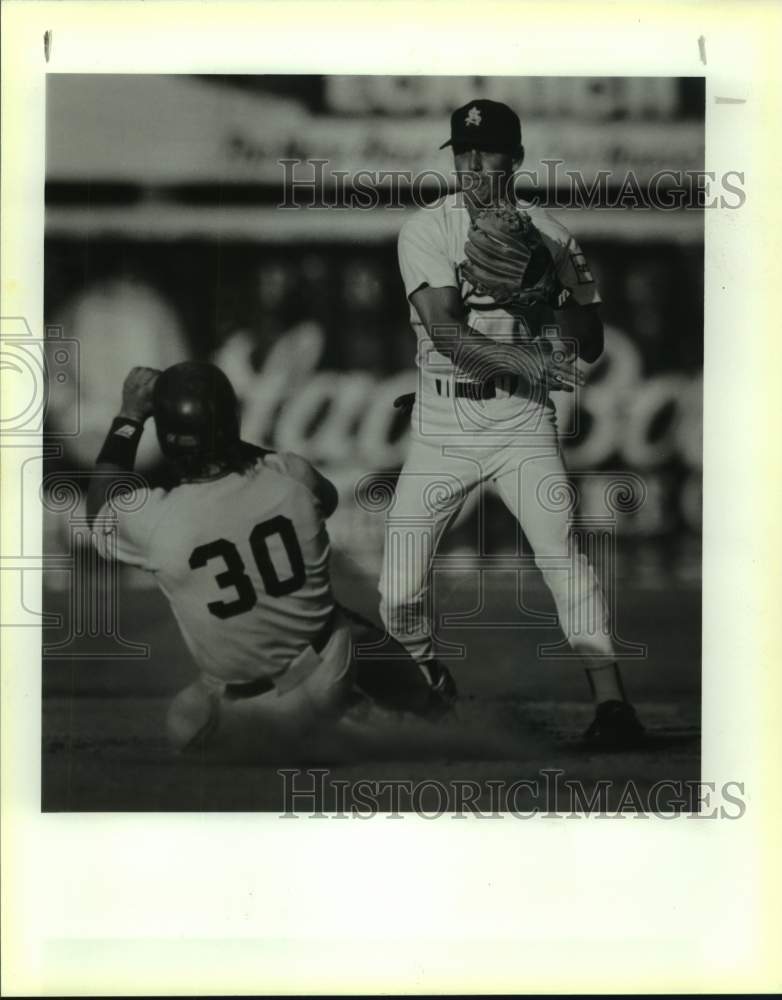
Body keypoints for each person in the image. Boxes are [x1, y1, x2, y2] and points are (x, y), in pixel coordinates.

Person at [379, 98, 645, 748]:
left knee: (562, 554)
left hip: (521, 421)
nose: (472, 163)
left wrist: (542, 295)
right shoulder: (426, 229)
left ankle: (612, 705)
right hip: (444, 422)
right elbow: (447, 334)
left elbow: (593, 340)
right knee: (396, 592)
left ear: (516, 158)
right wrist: (532, 352)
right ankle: (430, 681)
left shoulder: (552, 235)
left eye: (487, 150)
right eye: (462, 151)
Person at [86, 362, 445, 761]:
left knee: (185, 722)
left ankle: (336, 728)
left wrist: (130, 416)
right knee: (345, 625)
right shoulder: (290, 473)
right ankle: (418, 708)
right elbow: (320, 498)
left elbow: (100, 504)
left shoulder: (155, 520)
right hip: (331, 666)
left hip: (252, 707)